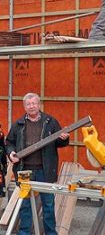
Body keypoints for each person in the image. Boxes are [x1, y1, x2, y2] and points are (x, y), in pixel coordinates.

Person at [6, 93, 69, 235]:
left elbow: (60, 142)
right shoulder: (18, 124)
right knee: (25, 205)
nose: (31, 106)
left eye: (34, 103)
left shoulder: (50, 122)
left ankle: (50, 233)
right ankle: (24, 233)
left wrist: (64, 138)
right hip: (24, 170)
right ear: (24, 106)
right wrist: (11, 153)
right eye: (28, 104)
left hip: (45, 171)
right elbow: (9, 143)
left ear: (39, 104)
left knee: (48, 204)